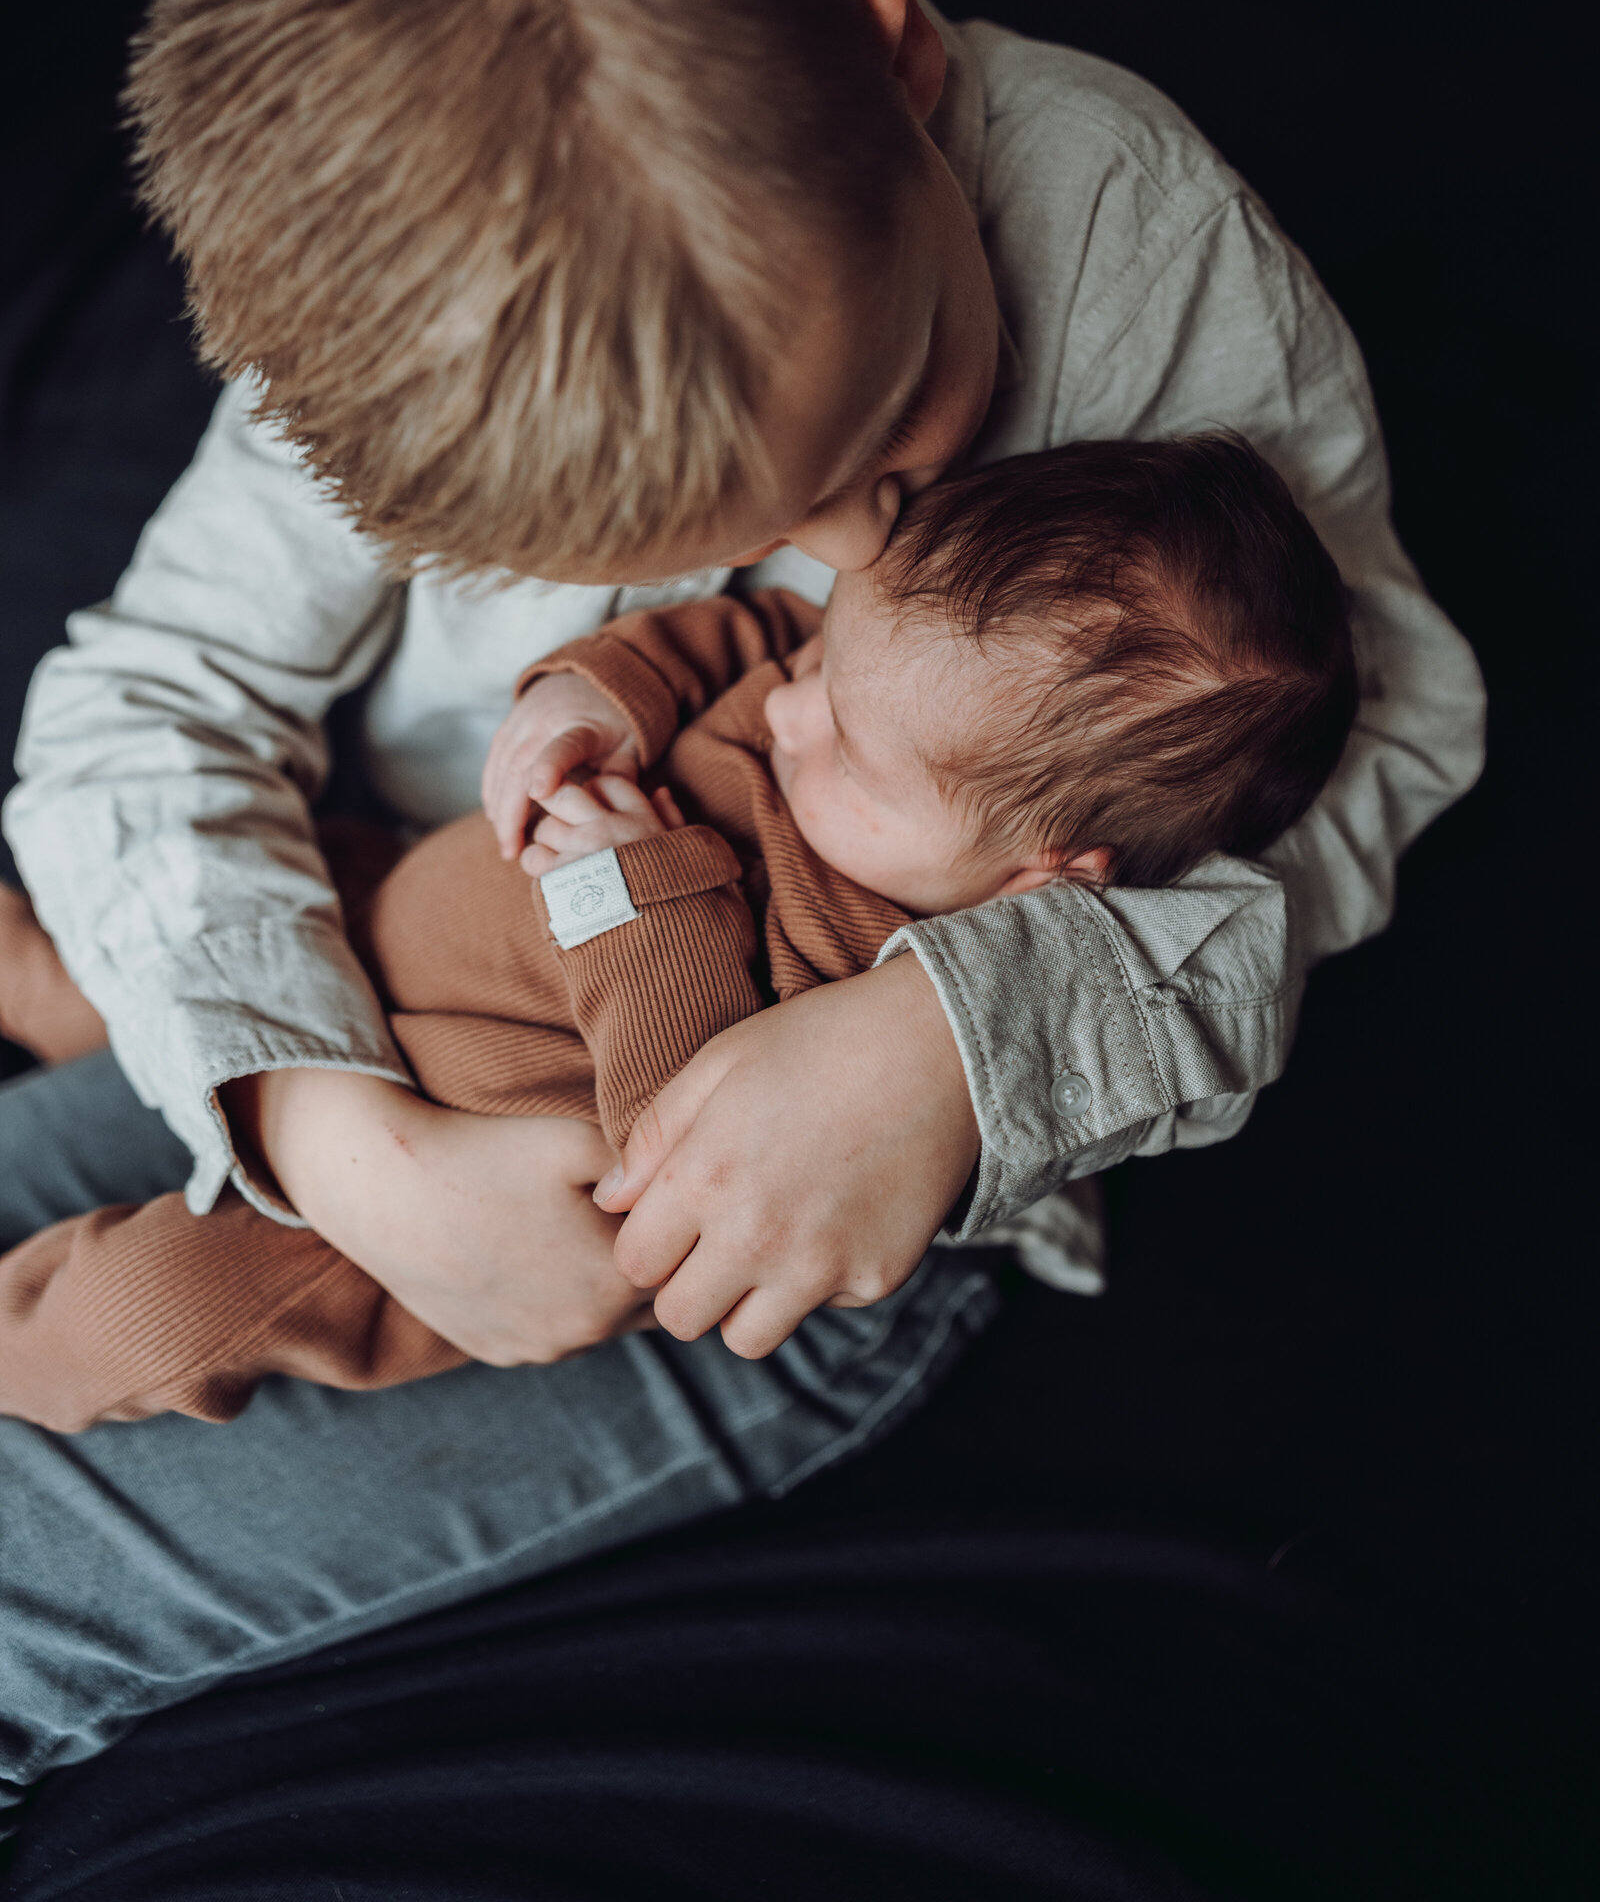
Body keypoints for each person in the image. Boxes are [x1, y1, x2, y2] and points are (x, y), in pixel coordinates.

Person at [0, 0, 1484, 1805]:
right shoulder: (386, 315)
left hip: (771, 1208)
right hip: (410, 962)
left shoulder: (1135, 249)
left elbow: (1368, 752)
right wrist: (335, 1140)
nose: (844, 552)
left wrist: (946, 1048)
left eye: (894, 424)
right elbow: (150, 700)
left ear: (896, 54)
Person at [0, 436, 1359, 1432]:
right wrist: (592, 698)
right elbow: (734, 636)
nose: (788, 709)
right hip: (394, 923)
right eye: (828, 659)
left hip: (477, 1176)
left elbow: (684, 1133)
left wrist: (645, 891)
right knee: (245, 936)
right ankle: (73, 996)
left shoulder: (875, 970)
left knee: (158, 1308)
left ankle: (32, 1353)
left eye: (847, 747)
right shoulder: (878, 688)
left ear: (1035, 881)